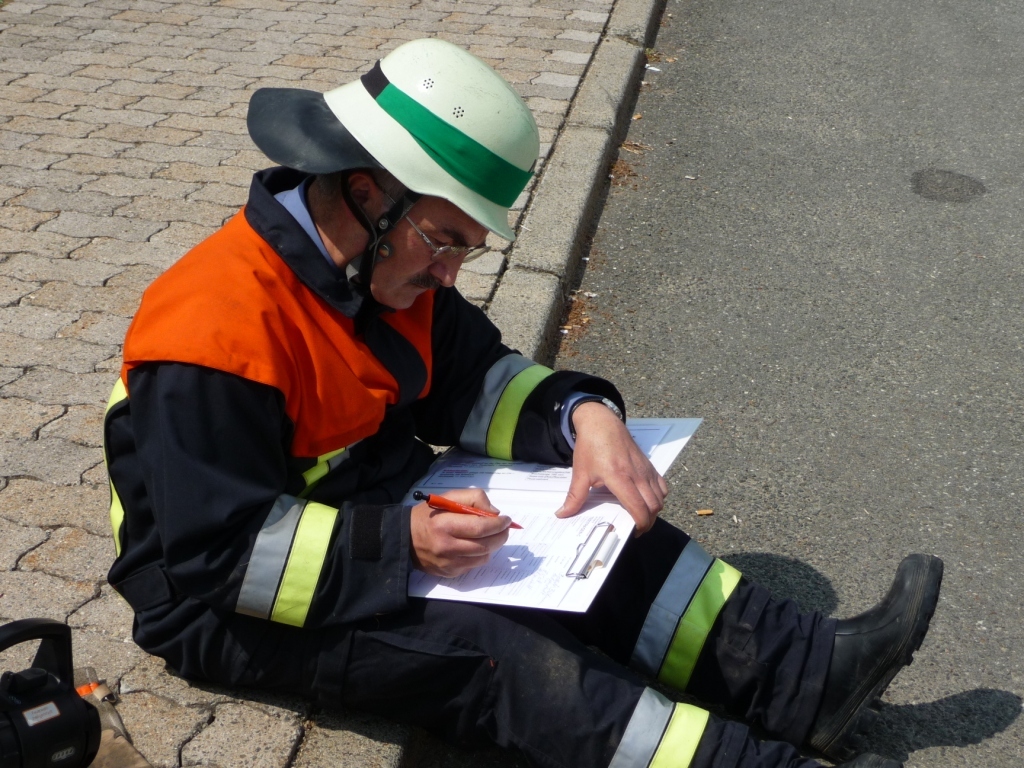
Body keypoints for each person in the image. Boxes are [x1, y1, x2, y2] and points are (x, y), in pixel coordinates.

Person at [103, 38, 942, 768]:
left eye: (465, 249)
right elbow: (218, 555)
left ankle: (807, 677)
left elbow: (475, 381)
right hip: (217, 607)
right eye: (444, 241)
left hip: (366, 513)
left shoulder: (380, 269)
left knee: (606, 526)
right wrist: (401, 545)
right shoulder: (213, 329)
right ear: (367, 193)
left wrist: (584, 419)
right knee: (507, 659)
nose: (449, 276)